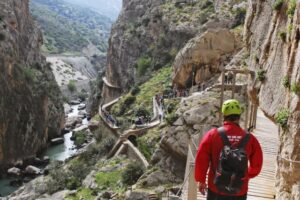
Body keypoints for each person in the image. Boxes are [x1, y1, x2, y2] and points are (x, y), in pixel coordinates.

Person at [194, 99, 263, 200]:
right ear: (239, 117)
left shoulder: (212, 135)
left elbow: (201, 159)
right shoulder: (250, 138)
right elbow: (257, 164)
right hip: (239, 189)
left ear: (224, 115)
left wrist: (201, 180)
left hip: (216, 187)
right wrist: (246, 176)